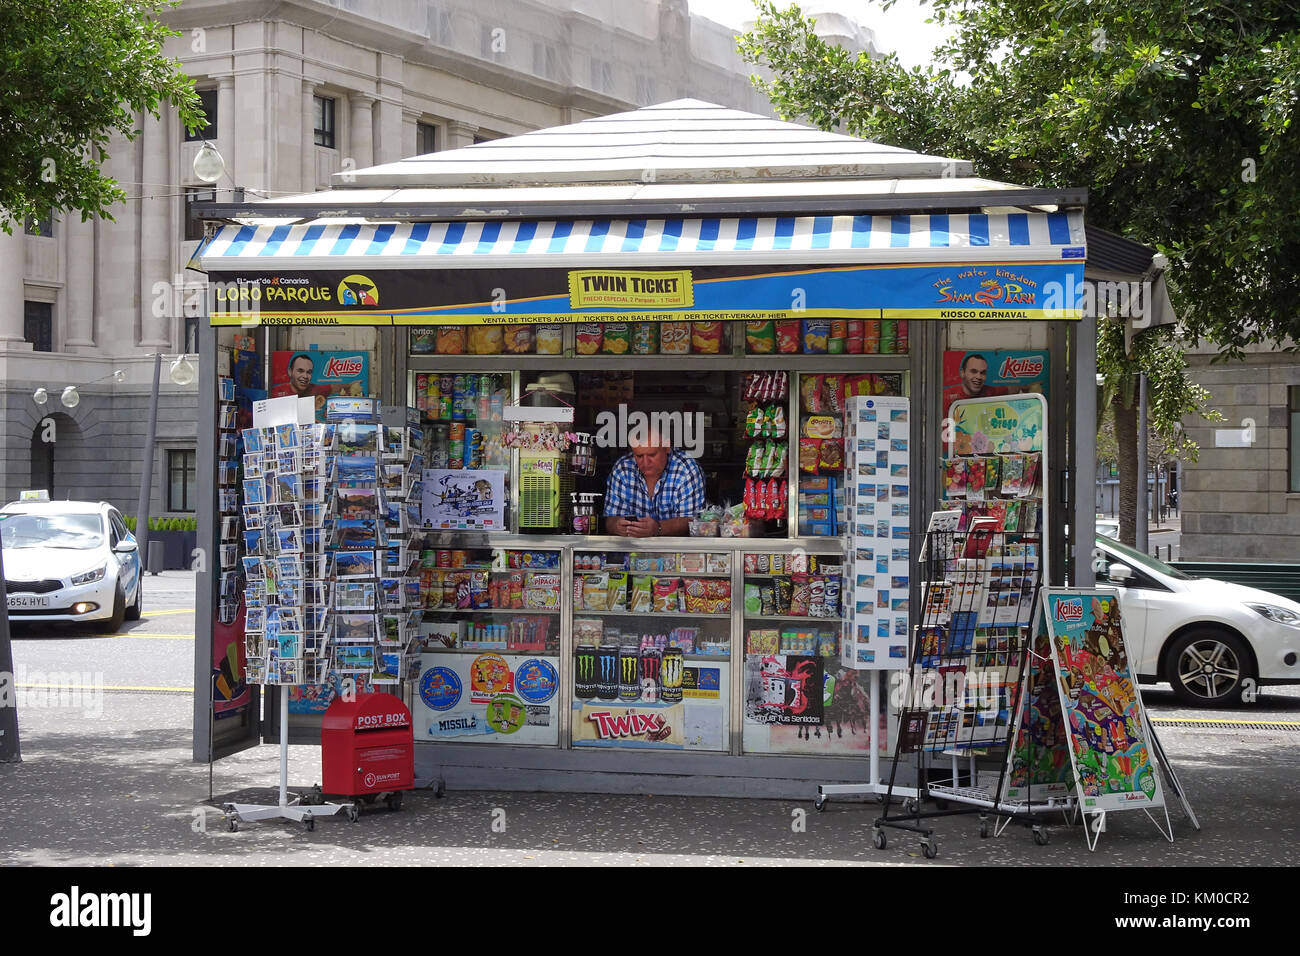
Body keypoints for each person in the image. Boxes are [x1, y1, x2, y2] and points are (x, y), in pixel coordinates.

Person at [603, 429, 705, 537]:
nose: (645, 462)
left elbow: (692, 521)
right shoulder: (622, 469)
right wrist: (617, 526)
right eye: (639, 456)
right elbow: (610, 519)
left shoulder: (687, 469)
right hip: (631, 549)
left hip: (677, 549)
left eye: (652, 455)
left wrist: (658, 528)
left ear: (666, 447)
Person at [942, 352, 1007, 416]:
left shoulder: (991, 391)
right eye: (973, 371)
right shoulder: (945, 397)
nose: (978, 377)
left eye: (983, 373)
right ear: (962, 373)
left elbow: (1014, 388)